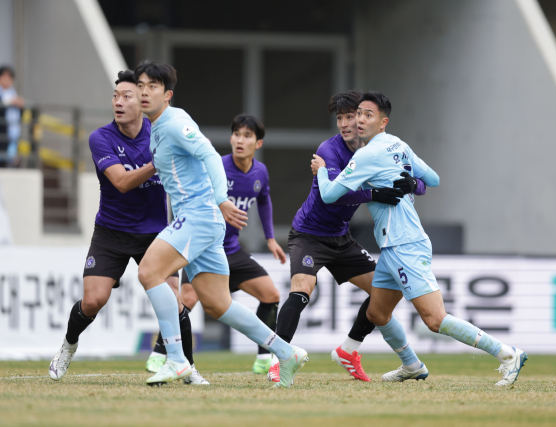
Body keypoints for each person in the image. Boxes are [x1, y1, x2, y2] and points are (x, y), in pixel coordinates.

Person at [312, 91, 528, 385]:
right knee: (376, 312)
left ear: (383, 122)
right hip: (392, 247)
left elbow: (328, 195)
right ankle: (412, 366)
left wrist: (322, 172)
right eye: (358, 113)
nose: (360, 120)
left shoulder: (367, 155)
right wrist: (414, 181)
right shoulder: (398, 145)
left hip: (405, 244)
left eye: (368, 115)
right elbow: (434, 179)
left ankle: (507, 354)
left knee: (435, 319)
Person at [134, 61, 307, 388]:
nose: (144, 91)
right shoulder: (156, 127)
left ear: (167, 94)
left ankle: (175, 360)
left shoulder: (173, 121)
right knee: (218, 304)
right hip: (202, 220)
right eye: (141, 85)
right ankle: (286, 352)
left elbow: (211, 156)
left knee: (148, 272)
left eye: (152, 86)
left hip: (198, 215)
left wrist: (221, 199)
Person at [48, 70, 208, 385]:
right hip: (111, 232)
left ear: (143, 101)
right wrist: (156, 163)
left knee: (174, 300)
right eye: (115, 96)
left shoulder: (163, 131)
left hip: (155, 234)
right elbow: (121, 182)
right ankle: (68, 345)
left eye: (127, 96)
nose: (118, 102)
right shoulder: (101, 138)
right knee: (94, 300)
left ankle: (186, 365)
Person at [269, 90, 426, 383]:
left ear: (367, 118)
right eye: (339, 117)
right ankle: (280, 359)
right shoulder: (329, 151)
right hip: (309, 234)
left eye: (350, 116)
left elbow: (421, 184)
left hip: (342, 239)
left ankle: (349, 350)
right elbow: (333, 197)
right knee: (302, 290)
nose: (344, 123)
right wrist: (375, 192)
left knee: (384, 292)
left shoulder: (379, 149)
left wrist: (413, 183)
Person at [146, 113, 286, 375]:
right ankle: (161, 351)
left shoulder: (260, 172)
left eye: (247, 136)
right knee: (186, 299)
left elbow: (264, 199)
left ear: (258, 144)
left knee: (271, 295)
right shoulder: (216, 165)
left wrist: (269, 238)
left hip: (232, 249)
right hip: (205, 244)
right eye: (236, 134)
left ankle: (265, 357)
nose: (239, 140)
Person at [0, 66, 24, 167]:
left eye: (10, 77)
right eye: (5, 77)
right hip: (2, 134)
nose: (8, 80)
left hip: (11, 135)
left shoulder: (13, 93)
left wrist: (21, 106)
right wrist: (10, 102)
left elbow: (19, 116)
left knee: (10, 163)